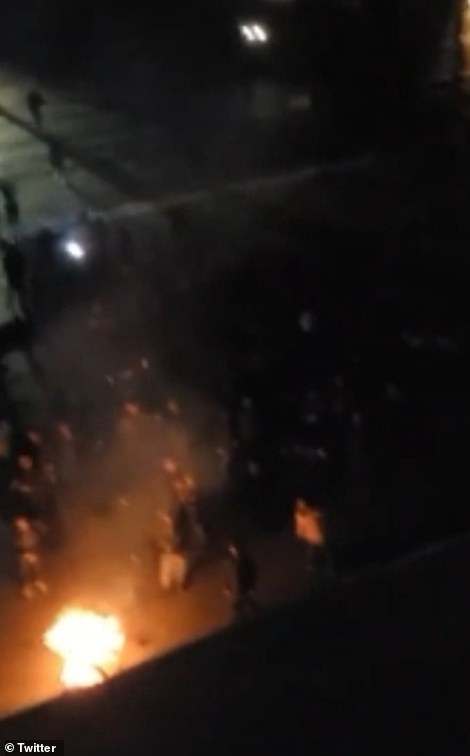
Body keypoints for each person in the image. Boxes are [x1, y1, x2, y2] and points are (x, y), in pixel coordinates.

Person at [293, 498, 330, 579]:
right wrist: (299, 533)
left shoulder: (312, 512)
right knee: (311, 552)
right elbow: (300, 526)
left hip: (318, 536)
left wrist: (313, 512)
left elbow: (322, 513)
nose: (301, 507)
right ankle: (312, 567)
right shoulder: (298, 515)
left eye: (302, 505)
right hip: (310, 538)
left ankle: (327, 567)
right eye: (299, 505)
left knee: (324, 551)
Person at [12, 516, 47, 598]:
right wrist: (26, 554)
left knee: (36, 567)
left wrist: (33, 554)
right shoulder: (17, 535)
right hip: (23, 555)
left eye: (23, 523)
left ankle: (38, 581)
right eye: (19, 525)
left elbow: (37, 542)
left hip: (33, 553)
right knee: (24, 571)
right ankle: (26, 587)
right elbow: (18, 547)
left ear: (26, 523)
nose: (22, 526)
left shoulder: (32, 532)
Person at [225, 542, 258, 620]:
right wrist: (227, 585)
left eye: (233, 549)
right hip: (240, 587)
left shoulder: (244, 560)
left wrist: (251, 586)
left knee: (243, 603)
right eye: (231, 550)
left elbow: (252, 571)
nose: (232, 551)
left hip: (245, 586)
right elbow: (230, 574)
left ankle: (251, 614)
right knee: (243, 603)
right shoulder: (234, 561)